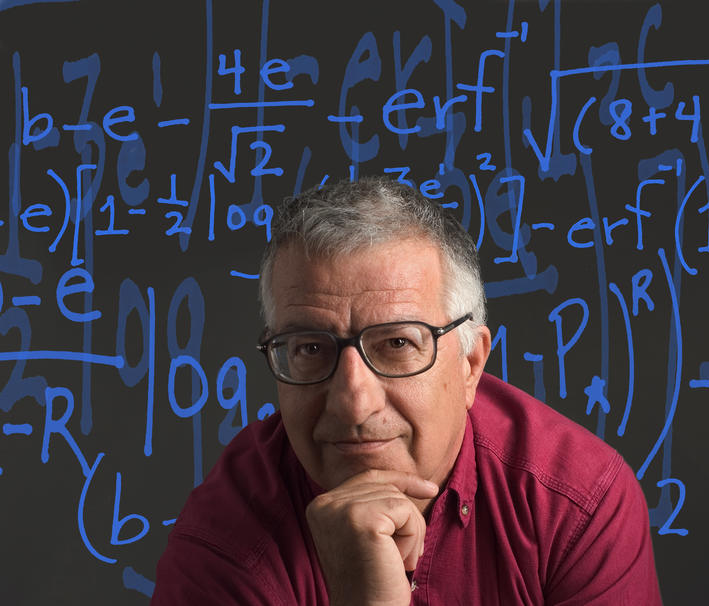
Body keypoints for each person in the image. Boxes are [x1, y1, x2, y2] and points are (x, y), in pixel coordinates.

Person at [152, 177, 662, 605]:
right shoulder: (227, 543)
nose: (353, 402)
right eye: (310, 348)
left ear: (470, 364)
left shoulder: (574, 502)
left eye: (398, 343)